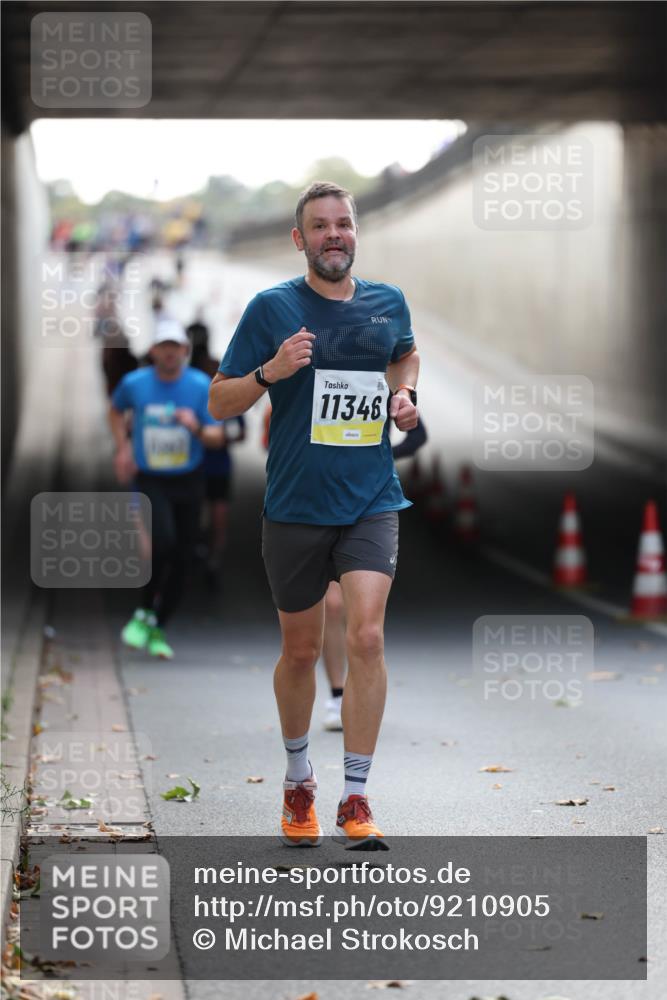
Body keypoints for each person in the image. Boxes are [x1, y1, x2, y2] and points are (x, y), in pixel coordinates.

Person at [209, 181, 419, 850]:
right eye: (320, 226)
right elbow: (218, 403)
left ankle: (355, 797)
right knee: (300, 649)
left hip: (370, 499)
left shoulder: (387, 304)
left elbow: (403, 354)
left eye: (343, 224)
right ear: (300, 240)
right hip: (296, 505)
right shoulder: (271, 308)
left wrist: (404, 394)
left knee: (365, 639)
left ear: (354, 234)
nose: (334, 234)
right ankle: (298, 776)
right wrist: (270, 372)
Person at [110, 317, 223, 659]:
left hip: (188, 479)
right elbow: (115, 411)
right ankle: (145, 611)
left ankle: (155, 624)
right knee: (163, 541)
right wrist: (123, 447)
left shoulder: (201, 385)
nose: (170, 354)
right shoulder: (135, 383)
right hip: (150, 478)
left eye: (176, 347)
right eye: (164, 347)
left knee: (184, 558)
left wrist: (196, 428)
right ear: (153, 351)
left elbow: (219, 437)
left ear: (185, 350)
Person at [321, 416, 428, 731]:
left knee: (365, 625)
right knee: (332, 605)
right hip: (321, 498)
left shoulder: (382, 374)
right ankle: (337, 694)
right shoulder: (310, 373)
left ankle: (359, 692)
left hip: (370, 502)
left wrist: (383, 453)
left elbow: (418, 435)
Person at [188, 315, 246, 588]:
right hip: (194, 466)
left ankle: (214, 556)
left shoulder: (230, 395)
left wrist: (224, 438)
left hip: (219, 467)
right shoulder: (194, 393)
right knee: (194, 515)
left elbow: (241, 431)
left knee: (219, 516)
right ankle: (196, 550)